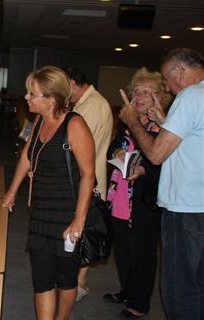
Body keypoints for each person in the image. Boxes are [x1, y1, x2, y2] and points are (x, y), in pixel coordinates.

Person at [2, 66, 95, 320]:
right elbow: (26, 157)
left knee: (65, 278)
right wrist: (12, 191)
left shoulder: (75, 125)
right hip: (41, 212)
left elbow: (88, 175)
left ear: (51, 99)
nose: (27, 98)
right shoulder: (40, 120)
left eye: (33, 94)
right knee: (41, 277)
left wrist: (79, 219)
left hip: (67, 213)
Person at [119, 48, 204, 320]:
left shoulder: (190, 96)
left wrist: (134, 123)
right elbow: (190, 143)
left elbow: (156, 154)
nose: (168, 86)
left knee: (180, 288)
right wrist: (163, 121)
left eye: (168, 79)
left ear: (179, 70)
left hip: (186, 208)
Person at [103, 68, 171, 318]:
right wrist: (117, 153)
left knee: (142, 254)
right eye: (137, 91)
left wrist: (144, 170)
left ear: (159, 98)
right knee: (122, 250)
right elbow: (113, 146)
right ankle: (126, 291)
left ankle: (139, 304)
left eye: (147, 92)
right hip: (120, 195)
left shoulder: (164, 126)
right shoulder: (129, 121)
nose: (140, 97)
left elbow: (166, 163)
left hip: (144, 201)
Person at [63, 67, 113, 301]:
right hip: (84, 177)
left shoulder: (93, 105)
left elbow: (79, 145)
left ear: (73, 83)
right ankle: (75, 281)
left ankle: (79, 284)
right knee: (81, 231)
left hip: (88, 180)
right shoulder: (87, 102)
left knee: (84, 231)